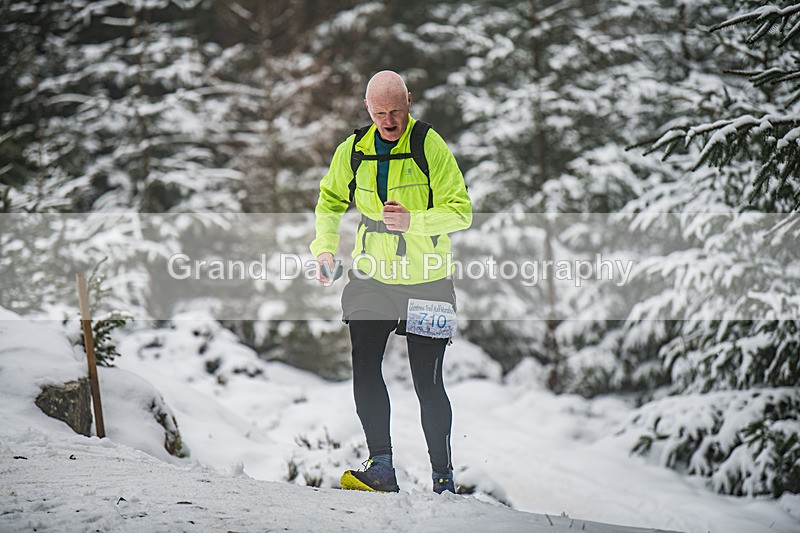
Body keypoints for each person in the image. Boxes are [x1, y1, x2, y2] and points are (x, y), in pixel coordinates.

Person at [310, 70, 472, 494]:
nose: (388, 121)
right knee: (364, 363)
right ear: (368, 109)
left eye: (395, 111)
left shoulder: (428, 145)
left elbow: (461, 211)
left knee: (427, 380)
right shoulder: (355, 149)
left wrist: (414, 221)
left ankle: (443, 480)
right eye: (380, 112)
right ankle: (381, 466)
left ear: (409, 103)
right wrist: (324, 249)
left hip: (428, 280)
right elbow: (329, 201)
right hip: (372, 278)